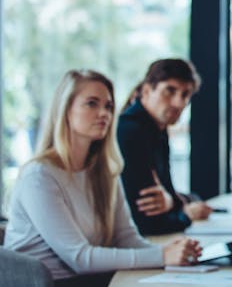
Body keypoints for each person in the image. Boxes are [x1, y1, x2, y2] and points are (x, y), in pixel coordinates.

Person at [4, 70, 201, 286]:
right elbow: (79, 258)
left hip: (93, 280)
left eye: (108, 106)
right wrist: (162, 256)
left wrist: (172, 251)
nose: (104, 114)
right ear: (66, 110)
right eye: (92, 104)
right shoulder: (39, 176)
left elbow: (127, 239)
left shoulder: (104, 171)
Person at [118, 59, 213, 235]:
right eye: (170, 91)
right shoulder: (131, 131)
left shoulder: (157, 130)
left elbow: (168, 194)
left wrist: (173, 202)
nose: (179, 103)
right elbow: (147, 221)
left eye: (185, 95)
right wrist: (185, 214)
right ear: (146, 90)